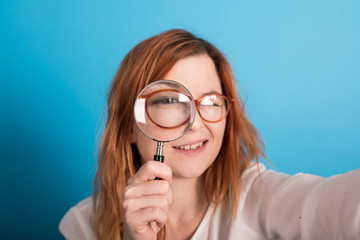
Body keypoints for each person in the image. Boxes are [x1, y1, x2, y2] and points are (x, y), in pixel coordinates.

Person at [59, 29, 360, 240]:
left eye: (211, 101)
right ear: (129, 126)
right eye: (170, 101)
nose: (195, 124)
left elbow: (340, 206)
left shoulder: (259, 197)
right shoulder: (82, 226)